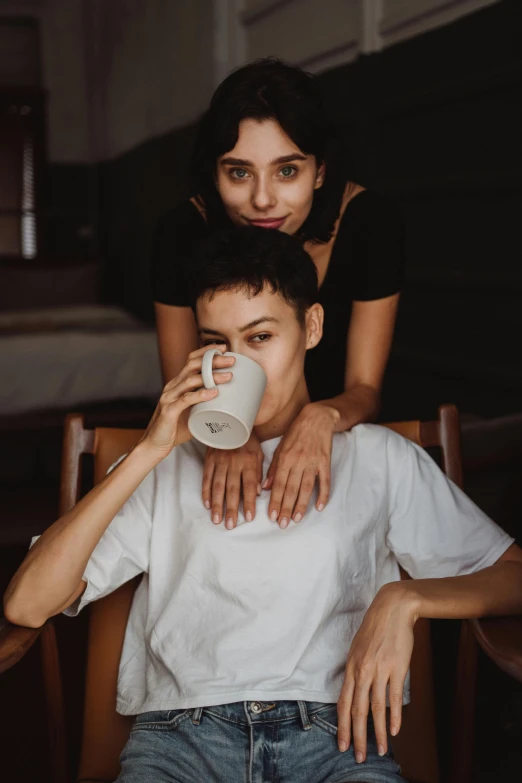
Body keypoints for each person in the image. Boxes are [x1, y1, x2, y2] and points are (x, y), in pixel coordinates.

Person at [6, 228, 520, 783]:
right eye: (216, 343)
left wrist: (405, 598)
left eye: (259, 338)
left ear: (312, 328)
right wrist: (150, 448)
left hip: (338, 741)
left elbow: (512, 575)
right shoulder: (163, 465)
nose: (234, 363)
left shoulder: (379, 458)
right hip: (181, 742)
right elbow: (26, 605)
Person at [152, 58, 406, 531]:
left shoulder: (370, 225)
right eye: (240, 173)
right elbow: (183, 387)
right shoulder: (180, 235)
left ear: (320, 171)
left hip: (343, 448)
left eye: (287, 171)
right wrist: (232, 435)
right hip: (221, 437)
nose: (263, 200)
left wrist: (322, 416)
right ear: (214, 174)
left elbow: (366, 390)